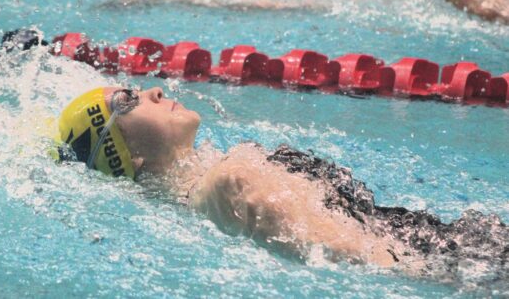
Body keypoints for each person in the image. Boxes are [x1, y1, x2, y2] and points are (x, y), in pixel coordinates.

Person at [56, 86, 508, 282]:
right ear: (127, 154)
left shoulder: (206, 195)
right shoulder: (230, 182)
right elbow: (367, 257)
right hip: (463, 260)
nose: (153, 91)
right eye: (126, 100)